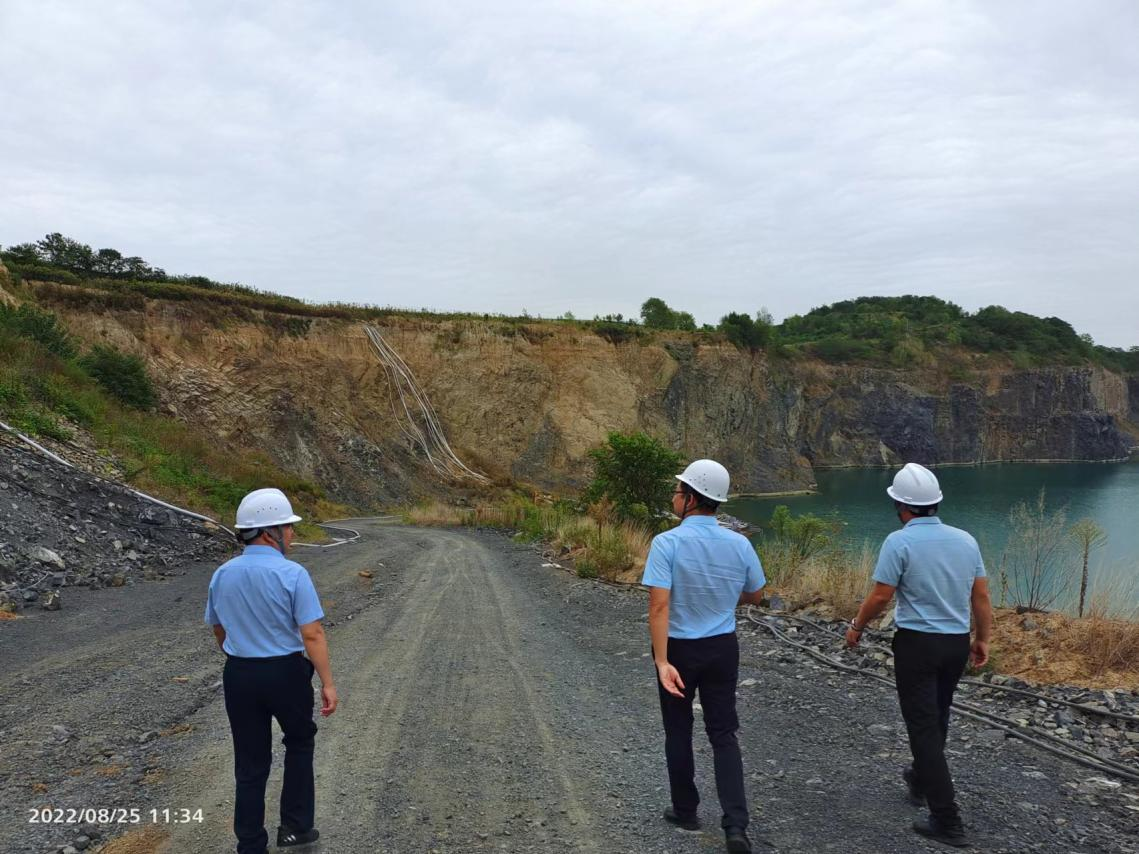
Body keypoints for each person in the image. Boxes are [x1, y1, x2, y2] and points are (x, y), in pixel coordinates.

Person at [845, 463, 992, 849]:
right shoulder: (966, 541)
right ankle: (921, 777)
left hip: (917, 645)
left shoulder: (899, 542)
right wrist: (982, 639)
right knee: (938, 715)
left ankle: (947, 819)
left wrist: (857, 626)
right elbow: (980, 596)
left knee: (923, 726)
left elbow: (881, 595)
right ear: (935, 503)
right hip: (955, 643)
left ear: (900, 505)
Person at [642, 459, 767, 854]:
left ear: (692, 499)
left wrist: (662, 662)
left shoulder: (666, 543)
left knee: (678, 729)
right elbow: (755, 594)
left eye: (679, 491)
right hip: (722, 647)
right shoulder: (740, 543)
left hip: (678, 648)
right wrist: (725, 599)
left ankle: (685, 810)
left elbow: (659, 606)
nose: (674, 497)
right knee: (723, 733)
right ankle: (736, 826)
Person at [205, 488, 338, 854]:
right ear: (269, 533)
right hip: (286, 673)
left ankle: (250, 843)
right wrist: (328, 683)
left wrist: (240, 655)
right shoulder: (293, 573)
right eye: (287, 527)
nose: (292, 533)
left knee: (250, 761)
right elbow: (312, 634)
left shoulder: (222, 574)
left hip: (240, 675)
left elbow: (218, 629)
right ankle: (296, 828)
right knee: (299, 743)